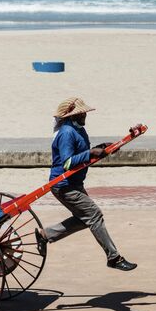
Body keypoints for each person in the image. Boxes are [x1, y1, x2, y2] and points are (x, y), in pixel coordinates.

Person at [35, 97, 137, 271]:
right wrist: (91, 152)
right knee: (94, 215)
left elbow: (83, 153)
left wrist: (105, 147)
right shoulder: (67, 133)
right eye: (81, 113)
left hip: (74, 183)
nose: (84, 115)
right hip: (63, 184)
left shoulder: (79, 130)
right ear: (71, 116)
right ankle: (114, 257)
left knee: (85, 219)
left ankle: (46, 235)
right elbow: (67, 163)